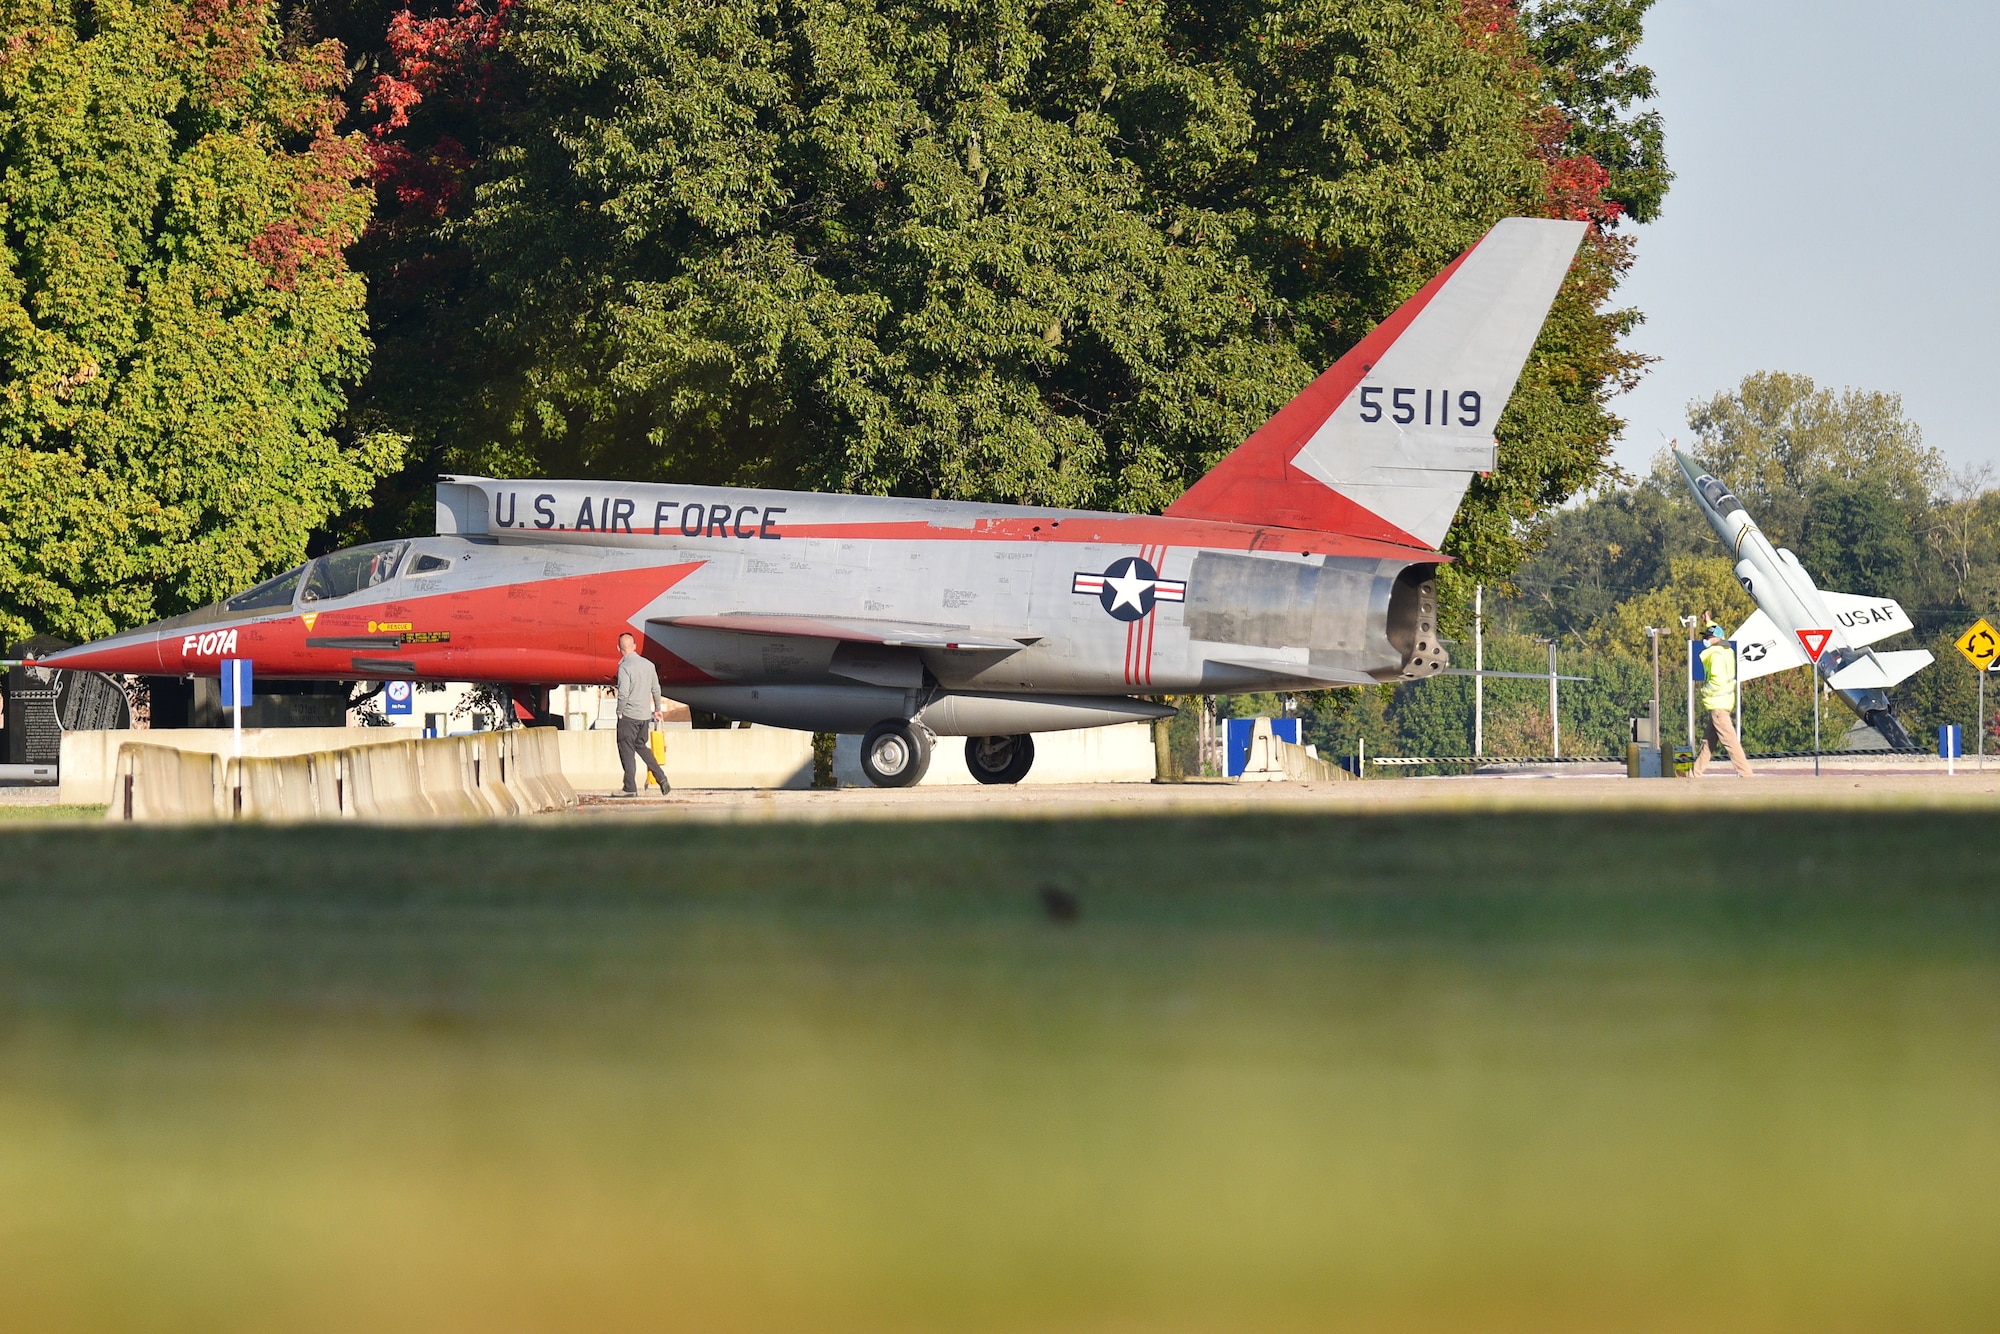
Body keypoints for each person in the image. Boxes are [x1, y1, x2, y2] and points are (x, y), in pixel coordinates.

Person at [1690, 623, 1754, 778]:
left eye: (1708, 637)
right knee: (1708, 743)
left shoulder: (1715, 655)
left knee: (1731, 743)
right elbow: (1718, 631)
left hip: (1717, 706)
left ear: (1716, 638)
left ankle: (1746, 774)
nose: (1705, 639)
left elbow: (1716, 681)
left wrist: (1704, 690)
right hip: (1723, 704)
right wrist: (1709, 621)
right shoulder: (1727, 651)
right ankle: (1694, 774)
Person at [614, 631, 672, 796]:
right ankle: (661, 778)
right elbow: (656, 688)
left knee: (626, 749)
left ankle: (629, 788)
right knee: (641, 746)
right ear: (634, 646)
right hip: (644, 716)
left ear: (619, 648)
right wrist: (658, 709)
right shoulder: (649, 665)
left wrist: (619, 711)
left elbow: (623, 693)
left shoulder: (624, 667)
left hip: (629, 716)